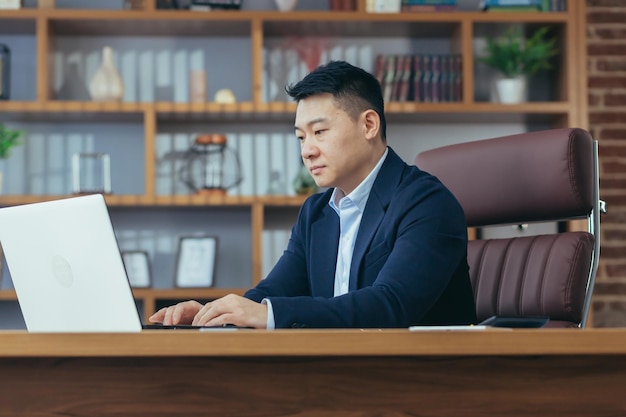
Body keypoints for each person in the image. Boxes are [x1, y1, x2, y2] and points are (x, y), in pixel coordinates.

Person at [149, 60, 477, 329]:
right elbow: (275, 290)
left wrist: (269, 315)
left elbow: (390, 304)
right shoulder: (316, 212)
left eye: (319, 132)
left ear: (369, 125)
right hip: (341, 373)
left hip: (423, 379)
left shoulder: (427, 203)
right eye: (301, 137)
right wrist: (214, 316)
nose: (307, 151)